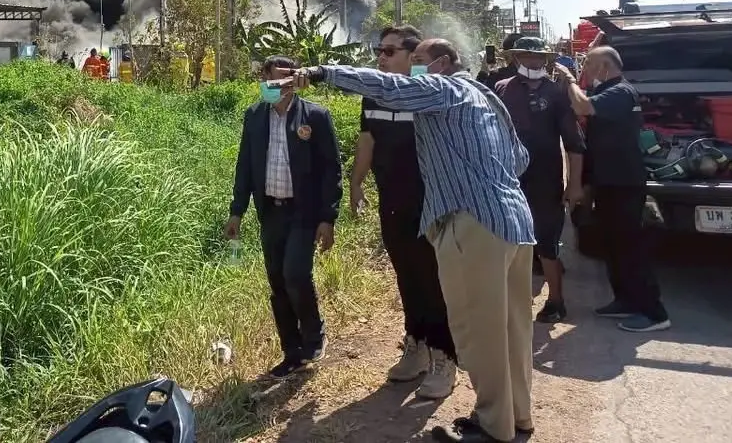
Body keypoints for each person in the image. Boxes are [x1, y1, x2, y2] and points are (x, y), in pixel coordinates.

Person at [280, 40, 534, 443]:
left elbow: (391, 89)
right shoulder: (486, 96)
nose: (410, 69)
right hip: (515, 221)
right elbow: (521, 158)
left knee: (480, 332)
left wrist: (322, 72)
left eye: (417, 61)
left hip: (473, 225)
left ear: (444, 64)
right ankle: (518, 417)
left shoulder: (443, 89)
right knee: (513, 330)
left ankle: (492, 427)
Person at [353, 24, 457, 400]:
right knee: (406, 277)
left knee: (433, 280)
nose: (380, 56)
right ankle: (415, 347)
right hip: (392, 201)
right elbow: (367, 140)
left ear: (413, 58)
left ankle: (445, 358)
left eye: (389, 51)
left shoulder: (430, 95)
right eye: (379, 50)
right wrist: (355, 183)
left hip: (430, 203)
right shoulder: (373, 95)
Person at [224, 55, 343, 378]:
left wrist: (327, 217)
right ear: (264, 78)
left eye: (289, 78)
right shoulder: (255, 116)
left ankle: (314, 334)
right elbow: (245, 166)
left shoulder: (315, 116)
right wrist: (237, 211)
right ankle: (291, 351)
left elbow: (331, 170)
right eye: (276, 78)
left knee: (295, 274)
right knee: (277, 280)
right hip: (271, 212)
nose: (282, 84)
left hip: (303, 212)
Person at [555, 47, 670, 333]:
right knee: (613, 246)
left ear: (604, 65)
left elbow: (583, 106)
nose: (585, 69)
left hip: (624, 183)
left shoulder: (620, 92)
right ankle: (626, 300)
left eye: (588, 63)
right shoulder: (609, 91)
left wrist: (569, 79)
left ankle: (654, 312)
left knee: (630, 248)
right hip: (609, 182)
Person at [494, 37, 585, 323]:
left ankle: (556, 301)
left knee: (547, 243)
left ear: (545, 60)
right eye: (525, 56)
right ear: (515, 58)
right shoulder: (502, 89)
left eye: (537, 57)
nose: (532, 62)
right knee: (509, 242)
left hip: (546, 180)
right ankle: (510, 304)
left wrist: (574, 184)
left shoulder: (556, 93)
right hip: (509, 179)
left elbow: (573, 143)